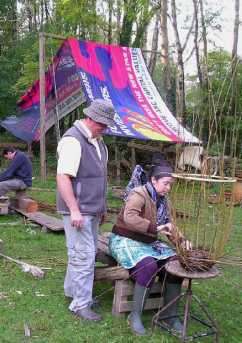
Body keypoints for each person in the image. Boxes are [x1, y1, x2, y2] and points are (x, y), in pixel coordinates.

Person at [109, 159, 191, 335]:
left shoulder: (163, 200)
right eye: (166, 183)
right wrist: (155, 228)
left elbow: (169, 225)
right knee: (148, 265)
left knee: (175, 262)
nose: (168, 188)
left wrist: (182, 241)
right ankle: (135, 316)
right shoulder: (138, 194)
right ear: (153, 180)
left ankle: (169, 316)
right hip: (125, 239)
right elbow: (130, 217)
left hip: (148, 241)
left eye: (170, 184)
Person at [56, 99, 116, 322]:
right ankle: (80, 304)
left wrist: (102, 207)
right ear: (90, 118)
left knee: (82, 255)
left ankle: (75, 292)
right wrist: (74, 210)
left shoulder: (98, 141)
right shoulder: (73, 140)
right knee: (83, 256)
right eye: (102, 123)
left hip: (92, 210)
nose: (105, 128)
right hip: (78, 211)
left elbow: (97, 178)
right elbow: (63, 177)